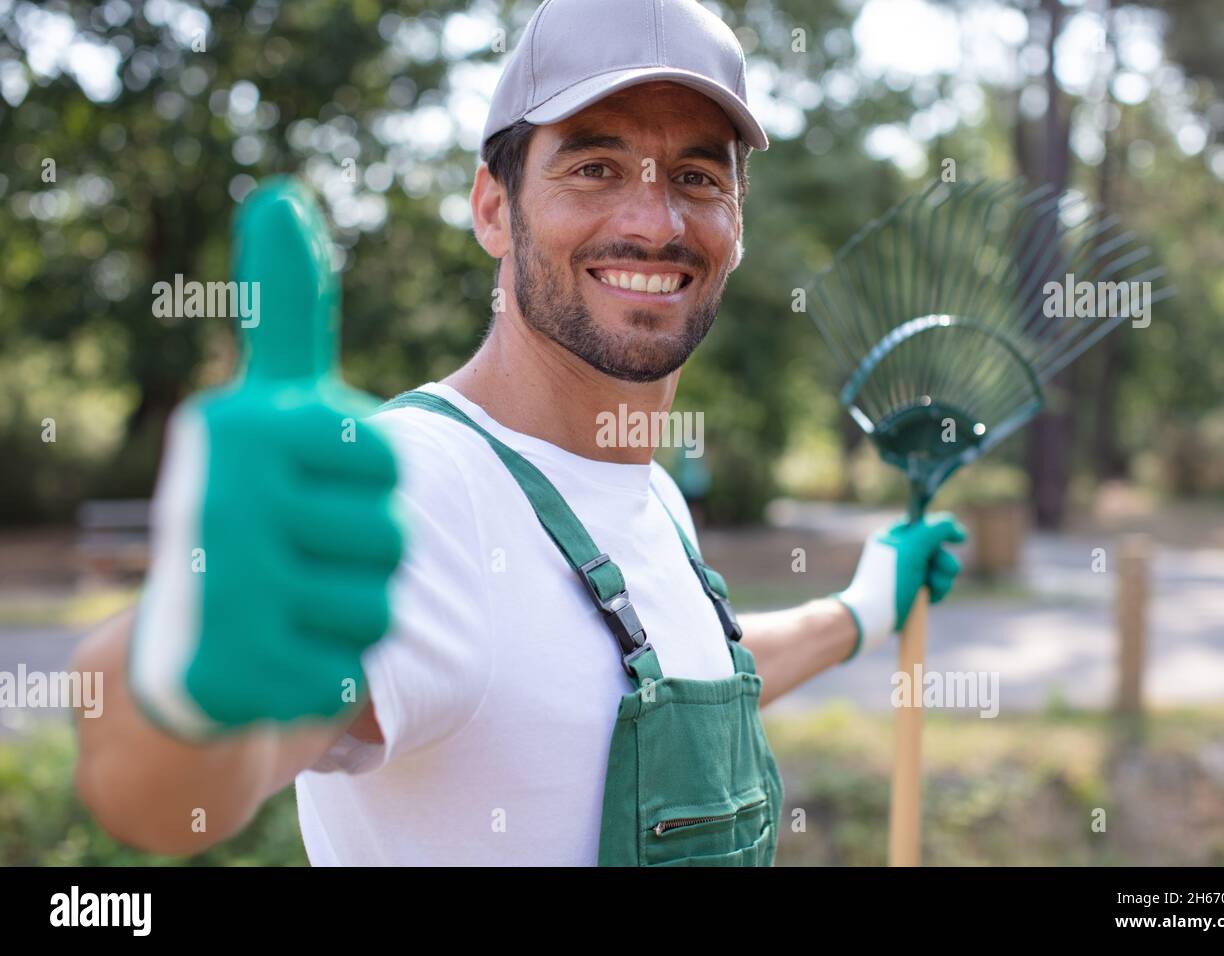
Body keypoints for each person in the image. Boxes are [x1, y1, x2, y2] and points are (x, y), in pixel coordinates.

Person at [74, 0, 965, 866]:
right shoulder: (422, 488)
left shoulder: (647, 493)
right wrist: (178, 681)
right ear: (494, 209)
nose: (654, 223)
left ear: (736, 223)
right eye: (594, 168)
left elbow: (627, 683)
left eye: (697, 177)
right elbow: (170, 794)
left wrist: (860, 610)